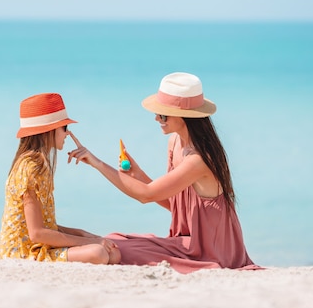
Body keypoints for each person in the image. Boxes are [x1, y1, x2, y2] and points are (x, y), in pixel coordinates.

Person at [67, 72, 260, 273]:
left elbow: (146, 195)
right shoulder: (175, 143)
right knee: (114, 239)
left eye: (163, 113)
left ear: (185, 117)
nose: (157, 117)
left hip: (210, 251)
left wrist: (97, 163)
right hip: (186, 242)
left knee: (116, 247)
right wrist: (138, 174)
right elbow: (175, 205)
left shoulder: (199, 159)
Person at [0, 92, 121, 264]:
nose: (68, 133)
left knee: (113, 254)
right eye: (64, 128)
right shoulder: (30, 167)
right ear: (49, 130)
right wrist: (91, 241)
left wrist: (82, 234)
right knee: (99, 252)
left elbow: (45, 228)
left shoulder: (41, 165)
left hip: (40, 245)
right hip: (23, 253)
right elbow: (37, 233)